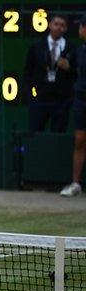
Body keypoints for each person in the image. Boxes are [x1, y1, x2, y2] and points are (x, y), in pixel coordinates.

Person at [24, 15, 76, 133]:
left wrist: (69, 68)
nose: (59, 28)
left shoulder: (71, 49)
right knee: (36, 135)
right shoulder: (36, 46)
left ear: (66, 29)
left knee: (57, 137)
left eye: (62, 26)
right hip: (40, 99)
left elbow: (78, 74)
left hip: (62, 101)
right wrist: (31, 96)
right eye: (56, 24)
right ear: (50, 25)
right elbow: (27, 72)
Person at [60, 14, 86, 197]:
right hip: (82, 99)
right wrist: (63, 64)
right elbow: (70, 66)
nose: (79, 31)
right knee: (80, 141)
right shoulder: (80, 50)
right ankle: (76, 183)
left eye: (81, 27)